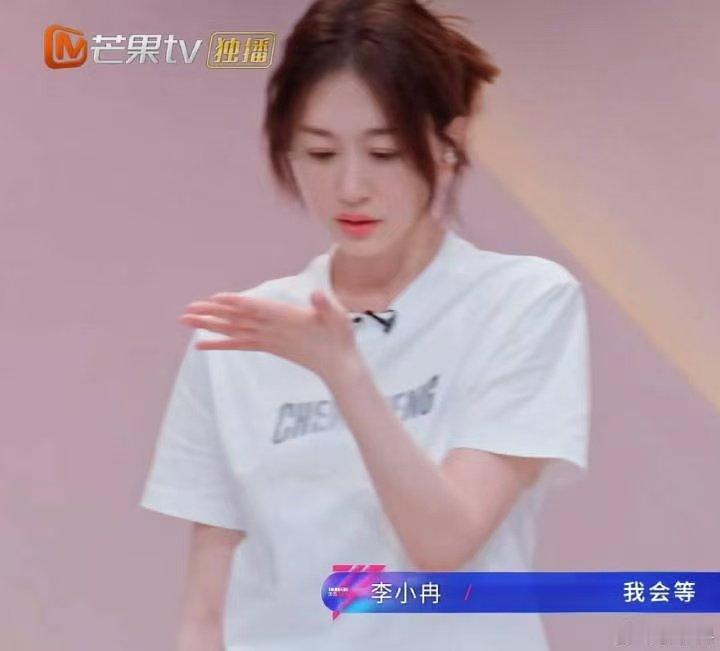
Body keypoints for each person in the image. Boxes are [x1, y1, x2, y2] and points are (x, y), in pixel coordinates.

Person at [139, 1, 591, 649]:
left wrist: (343, 372)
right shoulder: (243, 331)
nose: (350, 187)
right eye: (320, 152)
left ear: (450, 143)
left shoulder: (520, 301)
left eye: (384, 152)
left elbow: (444, 541)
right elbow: (206, 613)